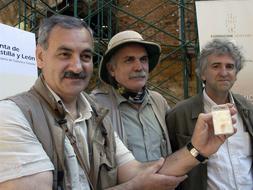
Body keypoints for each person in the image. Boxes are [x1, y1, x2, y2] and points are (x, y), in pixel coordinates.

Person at [0, 15, 236, 190]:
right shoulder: (13, 114)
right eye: (65, 54)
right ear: (40, 57)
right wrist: (134, 187)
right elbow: (137, 181)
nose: (77, 66)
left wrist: (197, 150)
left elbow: (139, 171)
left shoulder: (96, 114)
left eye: (85, 56)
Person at [166, 39, 253, 190]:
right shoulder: (179, 115)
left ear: (236, 74)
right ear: (202, 74)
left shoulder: (248, 110)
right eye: (216, 66)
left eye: (230, 67)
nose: (224, 72)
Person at [91, 30, 171, 162]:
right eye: (129, 60)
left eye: (143, 59)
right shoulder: (97, 105)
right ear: (111, 69)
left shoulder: (158, 101)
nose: (139, 67)